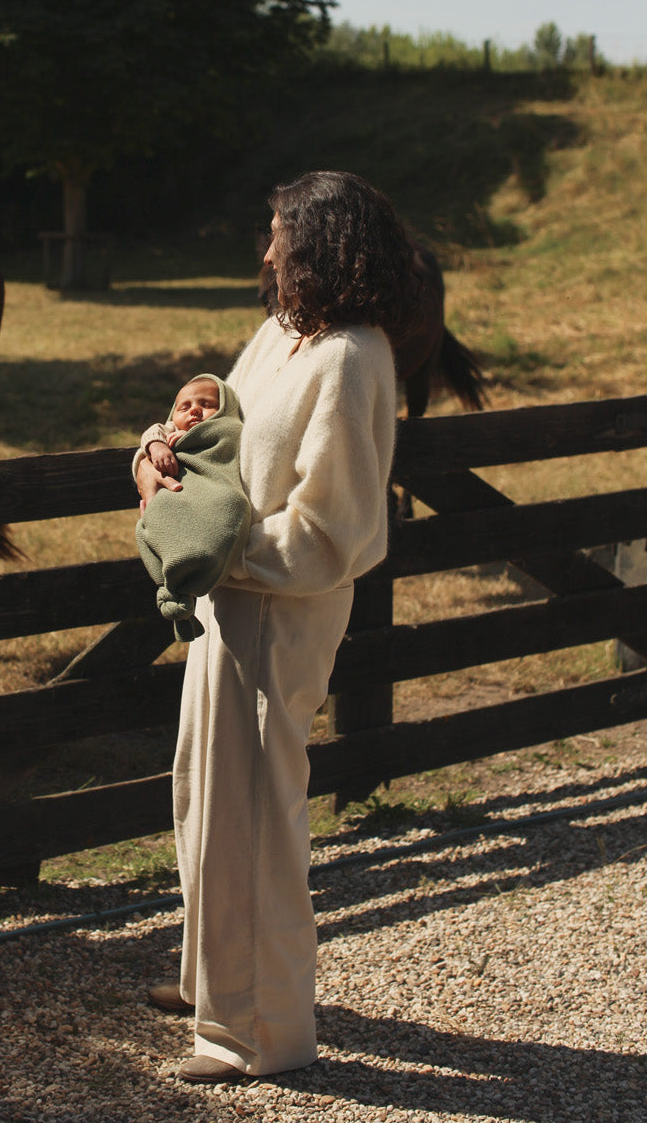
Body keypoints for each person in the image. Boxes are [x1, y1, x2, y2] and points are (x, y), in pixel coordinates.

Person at [134, 169, 420, 1085]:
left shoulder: (351, 359)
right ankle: (210, 979)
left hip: (282, 615)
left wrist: (216, 548)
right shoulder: (281, 335)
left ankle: (257, 1033)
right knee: (204, 799)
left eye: (280, 238)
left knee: (256, 820)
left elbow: (333, 532)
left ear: (325, 245)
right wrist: (165, 450)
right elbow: (227, 438)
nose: (266, 253)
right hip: (231, 607)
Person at [134, 375, 252, 642]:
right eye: (184, 407)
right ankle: (173, 578)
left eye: (206, 403)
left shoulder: (229, 430)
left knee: (231, 505)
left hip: (216, 492)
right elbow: (152, 434)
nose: (195, 409)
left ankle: (193, 570)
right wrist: (156, 446)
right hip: (177, 495)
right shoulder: (168, 433)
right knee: (161, 513)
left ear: (225, 410)